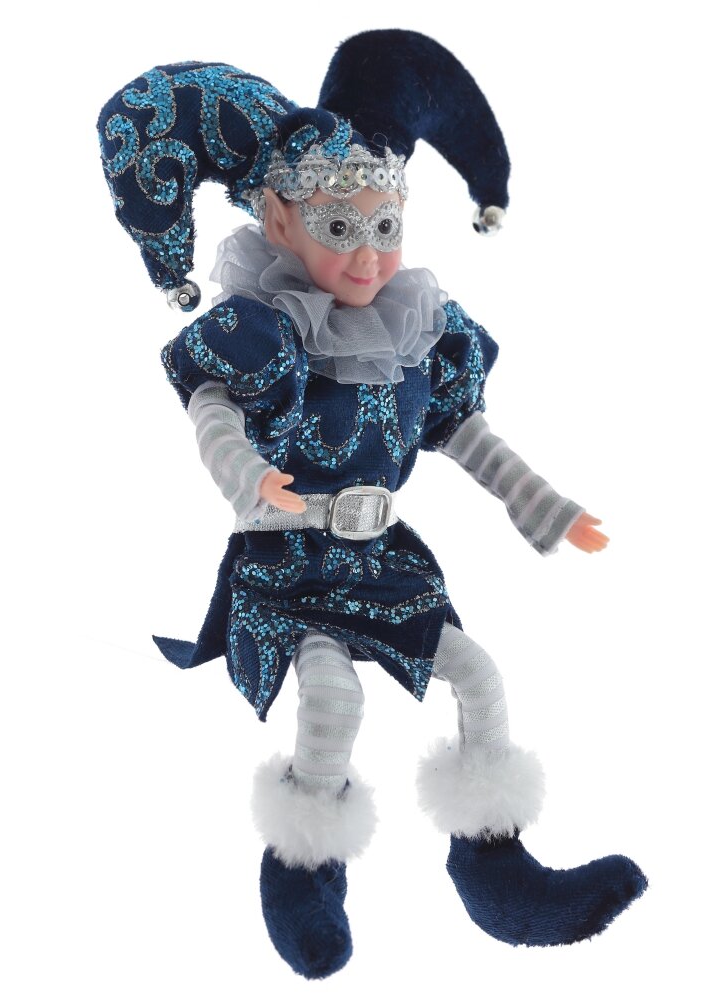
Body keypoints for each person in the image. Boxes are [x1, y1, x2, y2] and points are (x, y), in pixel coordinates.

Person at [98, 31, 646, 980]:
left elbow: (464, 434)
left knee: (479, 677)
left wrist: (545, 506)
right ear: (279, 223)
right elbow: (212, 413)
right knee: (332, 700)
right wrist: (249, 480)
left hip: (384, 560)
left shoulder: (413, 335)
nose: (369, 257)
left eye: (386, 226)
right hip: (290, 561)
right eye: (339, 229)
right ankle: (303, 870)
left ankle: (495, 865)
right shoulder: (264, 332)